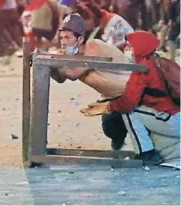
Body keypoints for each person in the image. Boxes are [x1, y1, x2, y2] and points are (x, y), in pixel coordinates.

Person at [81, 31, 180, 165]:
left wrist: (107, 107)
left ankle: (146, 153)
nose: (126, 50)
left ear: (140, 47)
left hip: (173, 121)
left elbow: (128, 103)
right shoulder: (160, 61)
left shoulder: (141, 68)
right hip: (175, 115)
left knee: (129, 112)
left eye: (129, 47)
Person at [50, 13, 133, 150]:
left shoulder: (93, 45)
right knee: (110, 128)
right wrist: (46, 66)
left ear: (80, 38)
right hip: (112, 97)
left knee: (134, 126)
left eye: (67, 37)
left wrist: (50, 63)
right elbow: (60, 79)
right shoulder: (71, 55)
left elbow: (73, 74)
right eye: (61, 38)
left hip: (133, 92)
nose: (63, 42)